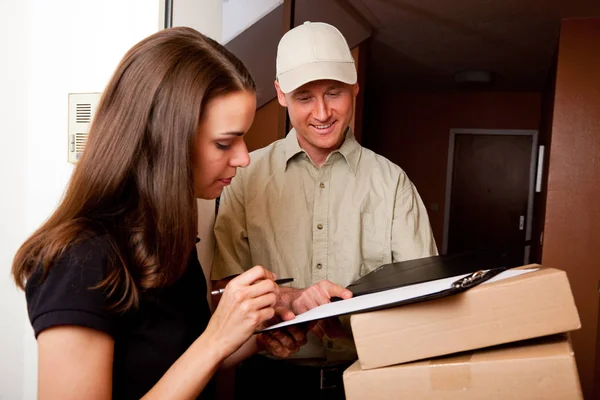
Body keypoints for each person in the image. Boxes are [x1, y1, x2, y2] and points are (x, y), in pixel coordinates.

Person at [11, 27, 307, 400]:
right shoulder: (79, 260)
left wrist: (254, 333)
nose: (244, 157)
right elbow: (200, 353)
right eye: (224, 142)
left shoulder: (165, 240)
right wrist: (215, 340)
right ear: (166, 140)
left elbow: (174, 364)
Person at [211, 21, 438, 399]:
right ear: (281, 95)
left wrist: (347, 314)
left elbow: (423, 299)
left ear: (354, 88)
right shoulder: (243, 178)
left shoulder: (393, 183)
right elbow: (223, 289)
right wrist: (279, 311)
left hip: (368, 380)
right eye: (304, 97)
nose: (322, 112)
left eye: (334, 93)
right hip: (268, 383)